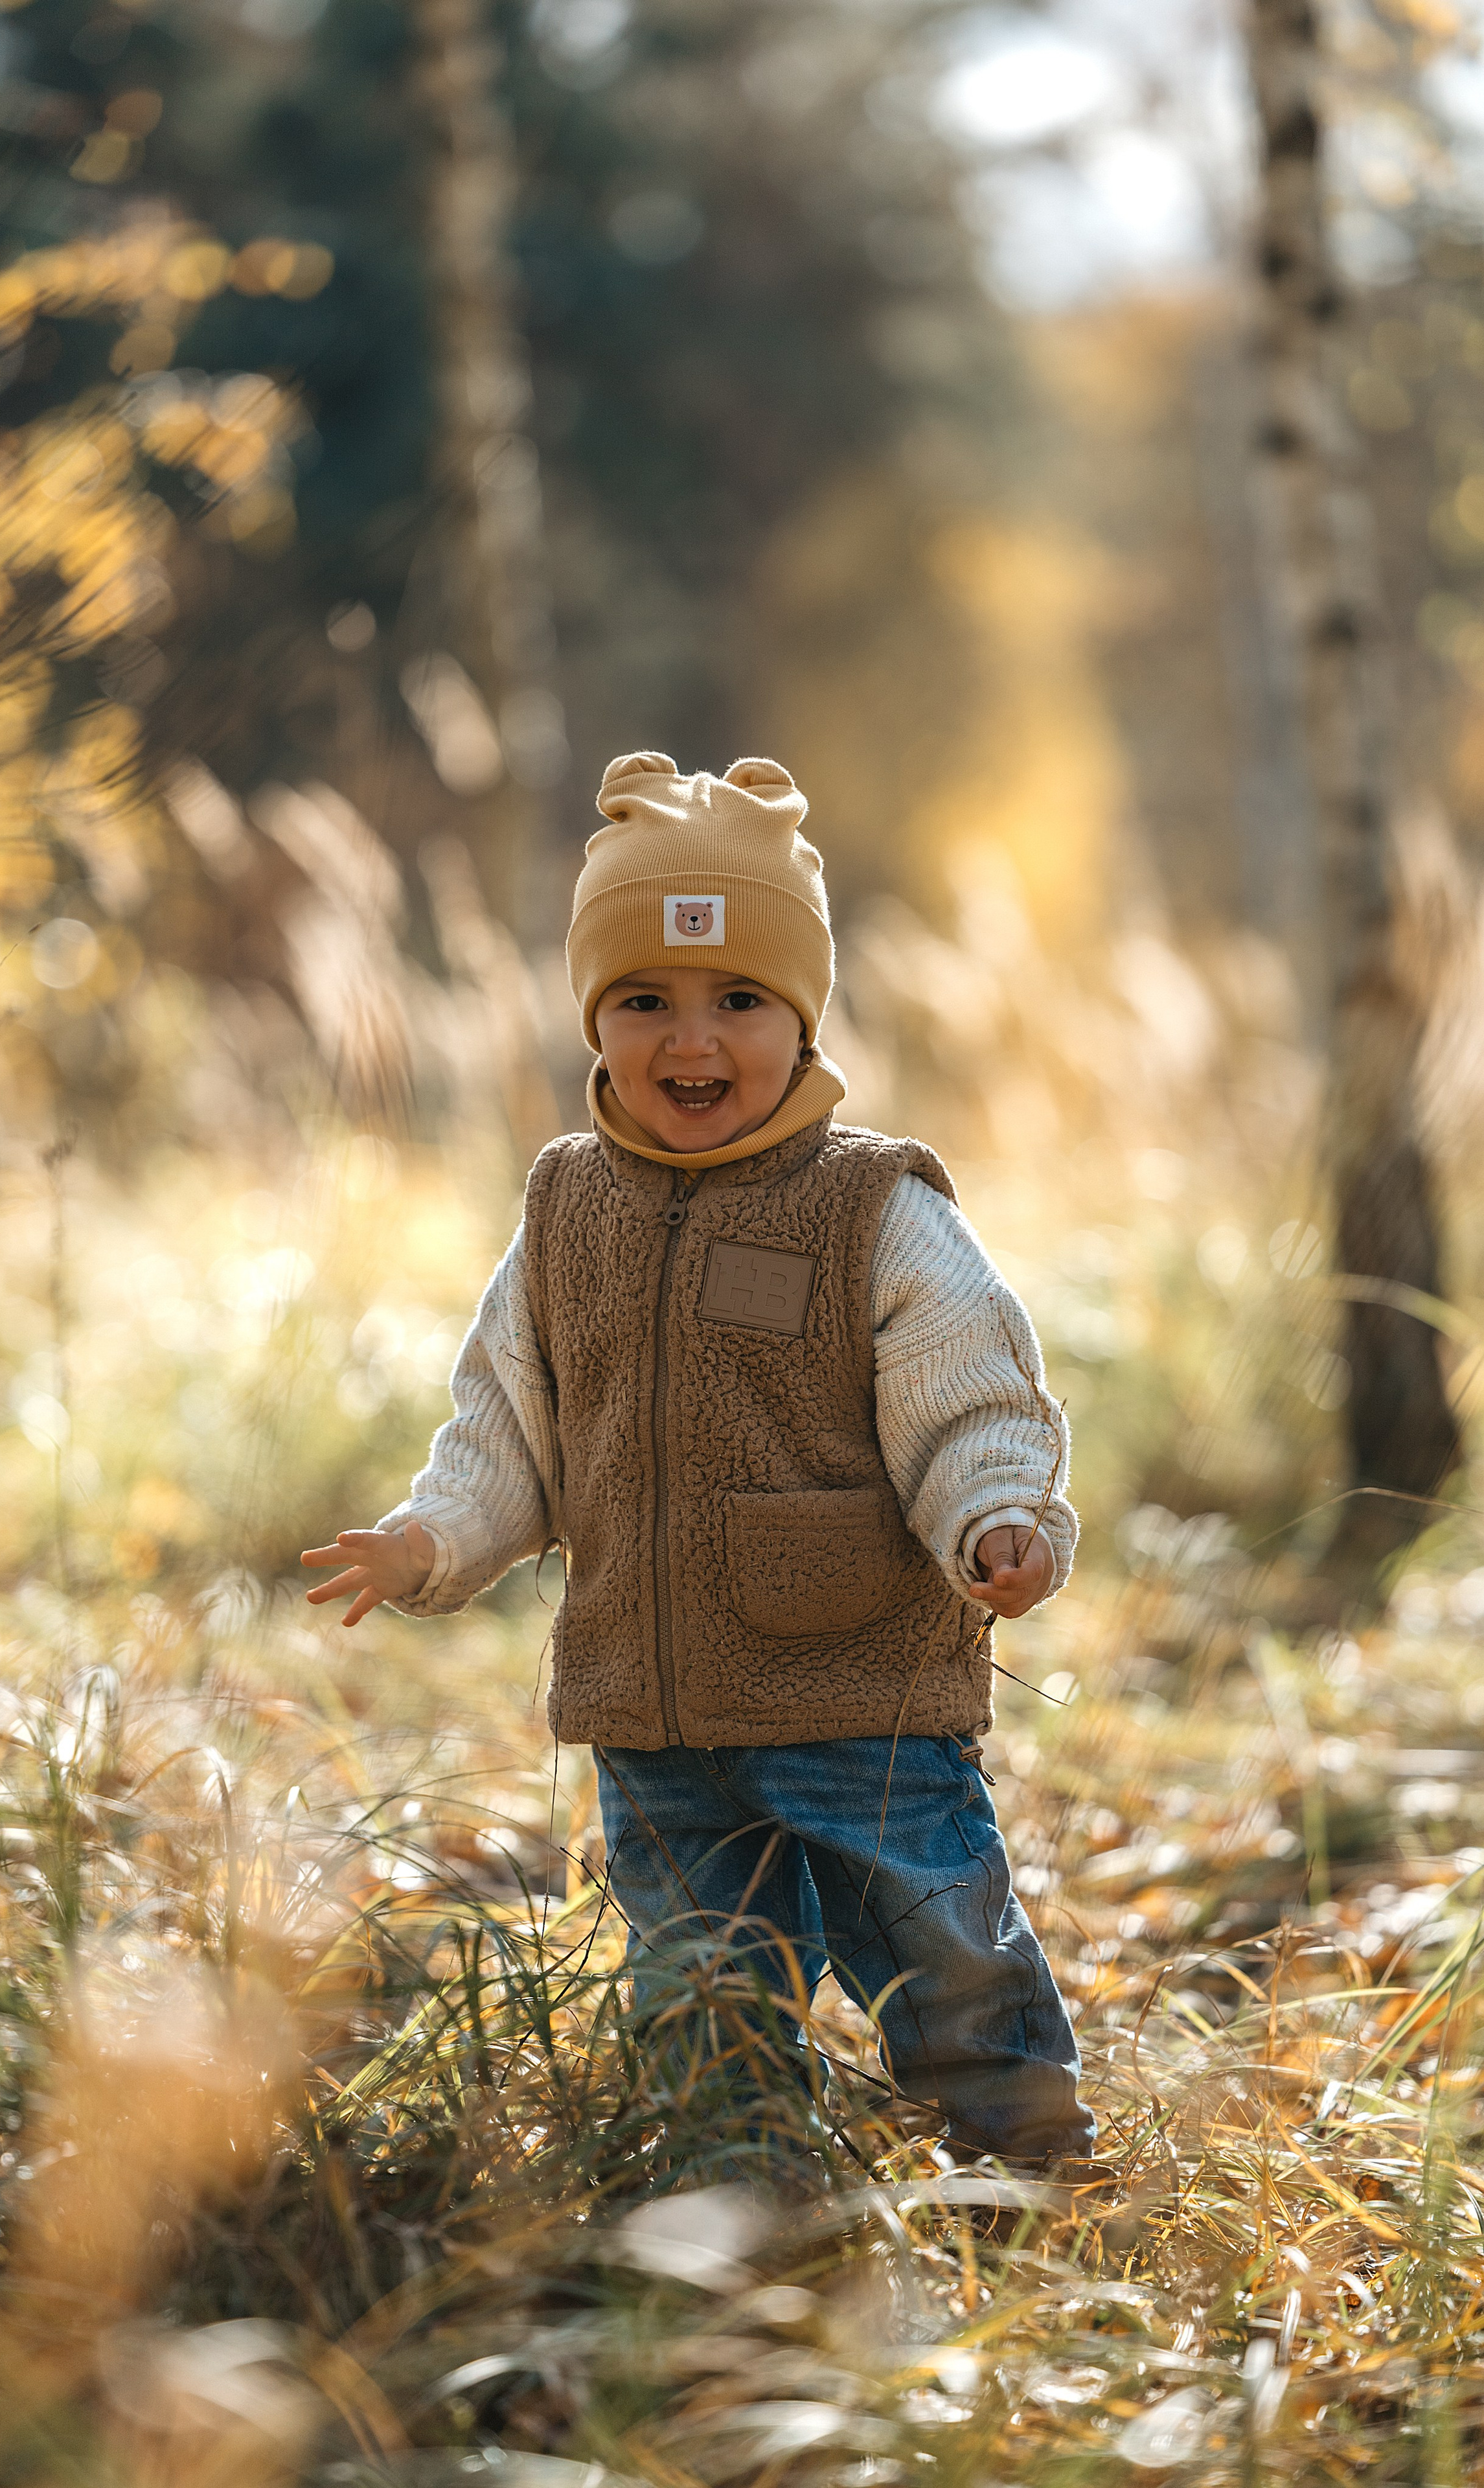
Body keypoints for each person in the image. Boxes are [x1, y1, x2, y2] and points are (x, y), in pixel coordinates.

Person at [304, 752, 1096, 2169]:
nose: (694, 1040)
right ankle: (740, 2173)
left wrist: (995, 1518)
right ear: (594, 1021)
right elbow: (507, 1419)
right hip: (650, 1703)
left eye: (740, 1000)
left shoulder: (868, 1204)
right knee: (700, 1973)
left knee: (933, 1925)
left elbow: (965, 1393)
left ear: (800, 1017)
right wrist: (432, 1539)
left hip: (853, 1684)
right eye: (643, 1003)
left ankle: (1018, 2138)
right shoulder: (565, 1208)